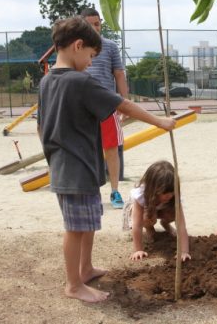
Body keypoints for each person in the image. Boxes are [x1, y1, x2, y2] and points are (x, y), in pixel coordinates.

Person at [37, 16, 175, 303]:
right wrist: (159, 122)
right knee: (75, 228)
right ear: (77, 46)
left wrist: (53, 156)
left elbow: (41, 127)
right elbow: (122, 104)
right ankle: (73, 284)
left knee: (86, 222)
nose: (90, 62)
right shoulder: (80, 81)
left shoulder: (47, 81)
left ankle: (85, 269)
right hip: (74, 167)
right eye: (90, 55)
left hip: (73, 165)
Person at [81, 7, 128, 209]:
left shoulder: (109, 47)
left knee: (111, 148)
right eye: (89, 24)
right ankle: (91, 192)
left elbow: (119, 74)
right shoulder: (78, 47)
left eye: (97, 24)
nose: (94, 28)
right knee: (86, 149)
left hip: (106, 105)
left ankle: (115, 190)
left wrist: (124, 103)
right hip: (83, 106)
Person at [127, 160, 191, 262]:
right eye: (165, 193)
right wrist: (138, 250)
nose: (169, 196)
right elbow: (137, 225)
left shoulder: (173, 197)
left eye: (172, 192)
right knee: (147, 218)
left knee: (173, 213)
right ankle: (149, 228)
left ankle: (165, 224)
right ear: (154, 189)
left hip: (161, 208)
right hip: (145, 210)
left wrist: (184, 251)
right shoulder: (141, 195)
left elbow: (181, 225)